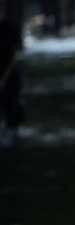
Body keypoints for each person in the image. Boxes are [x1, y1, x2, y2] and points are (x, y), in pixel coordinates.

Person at [0, 14, 23, 150]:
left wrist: (3, 78)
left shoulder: (10, 28)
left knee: (11, 104)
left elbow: (14, 55)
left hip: (10, 75)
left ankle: (12, 134)